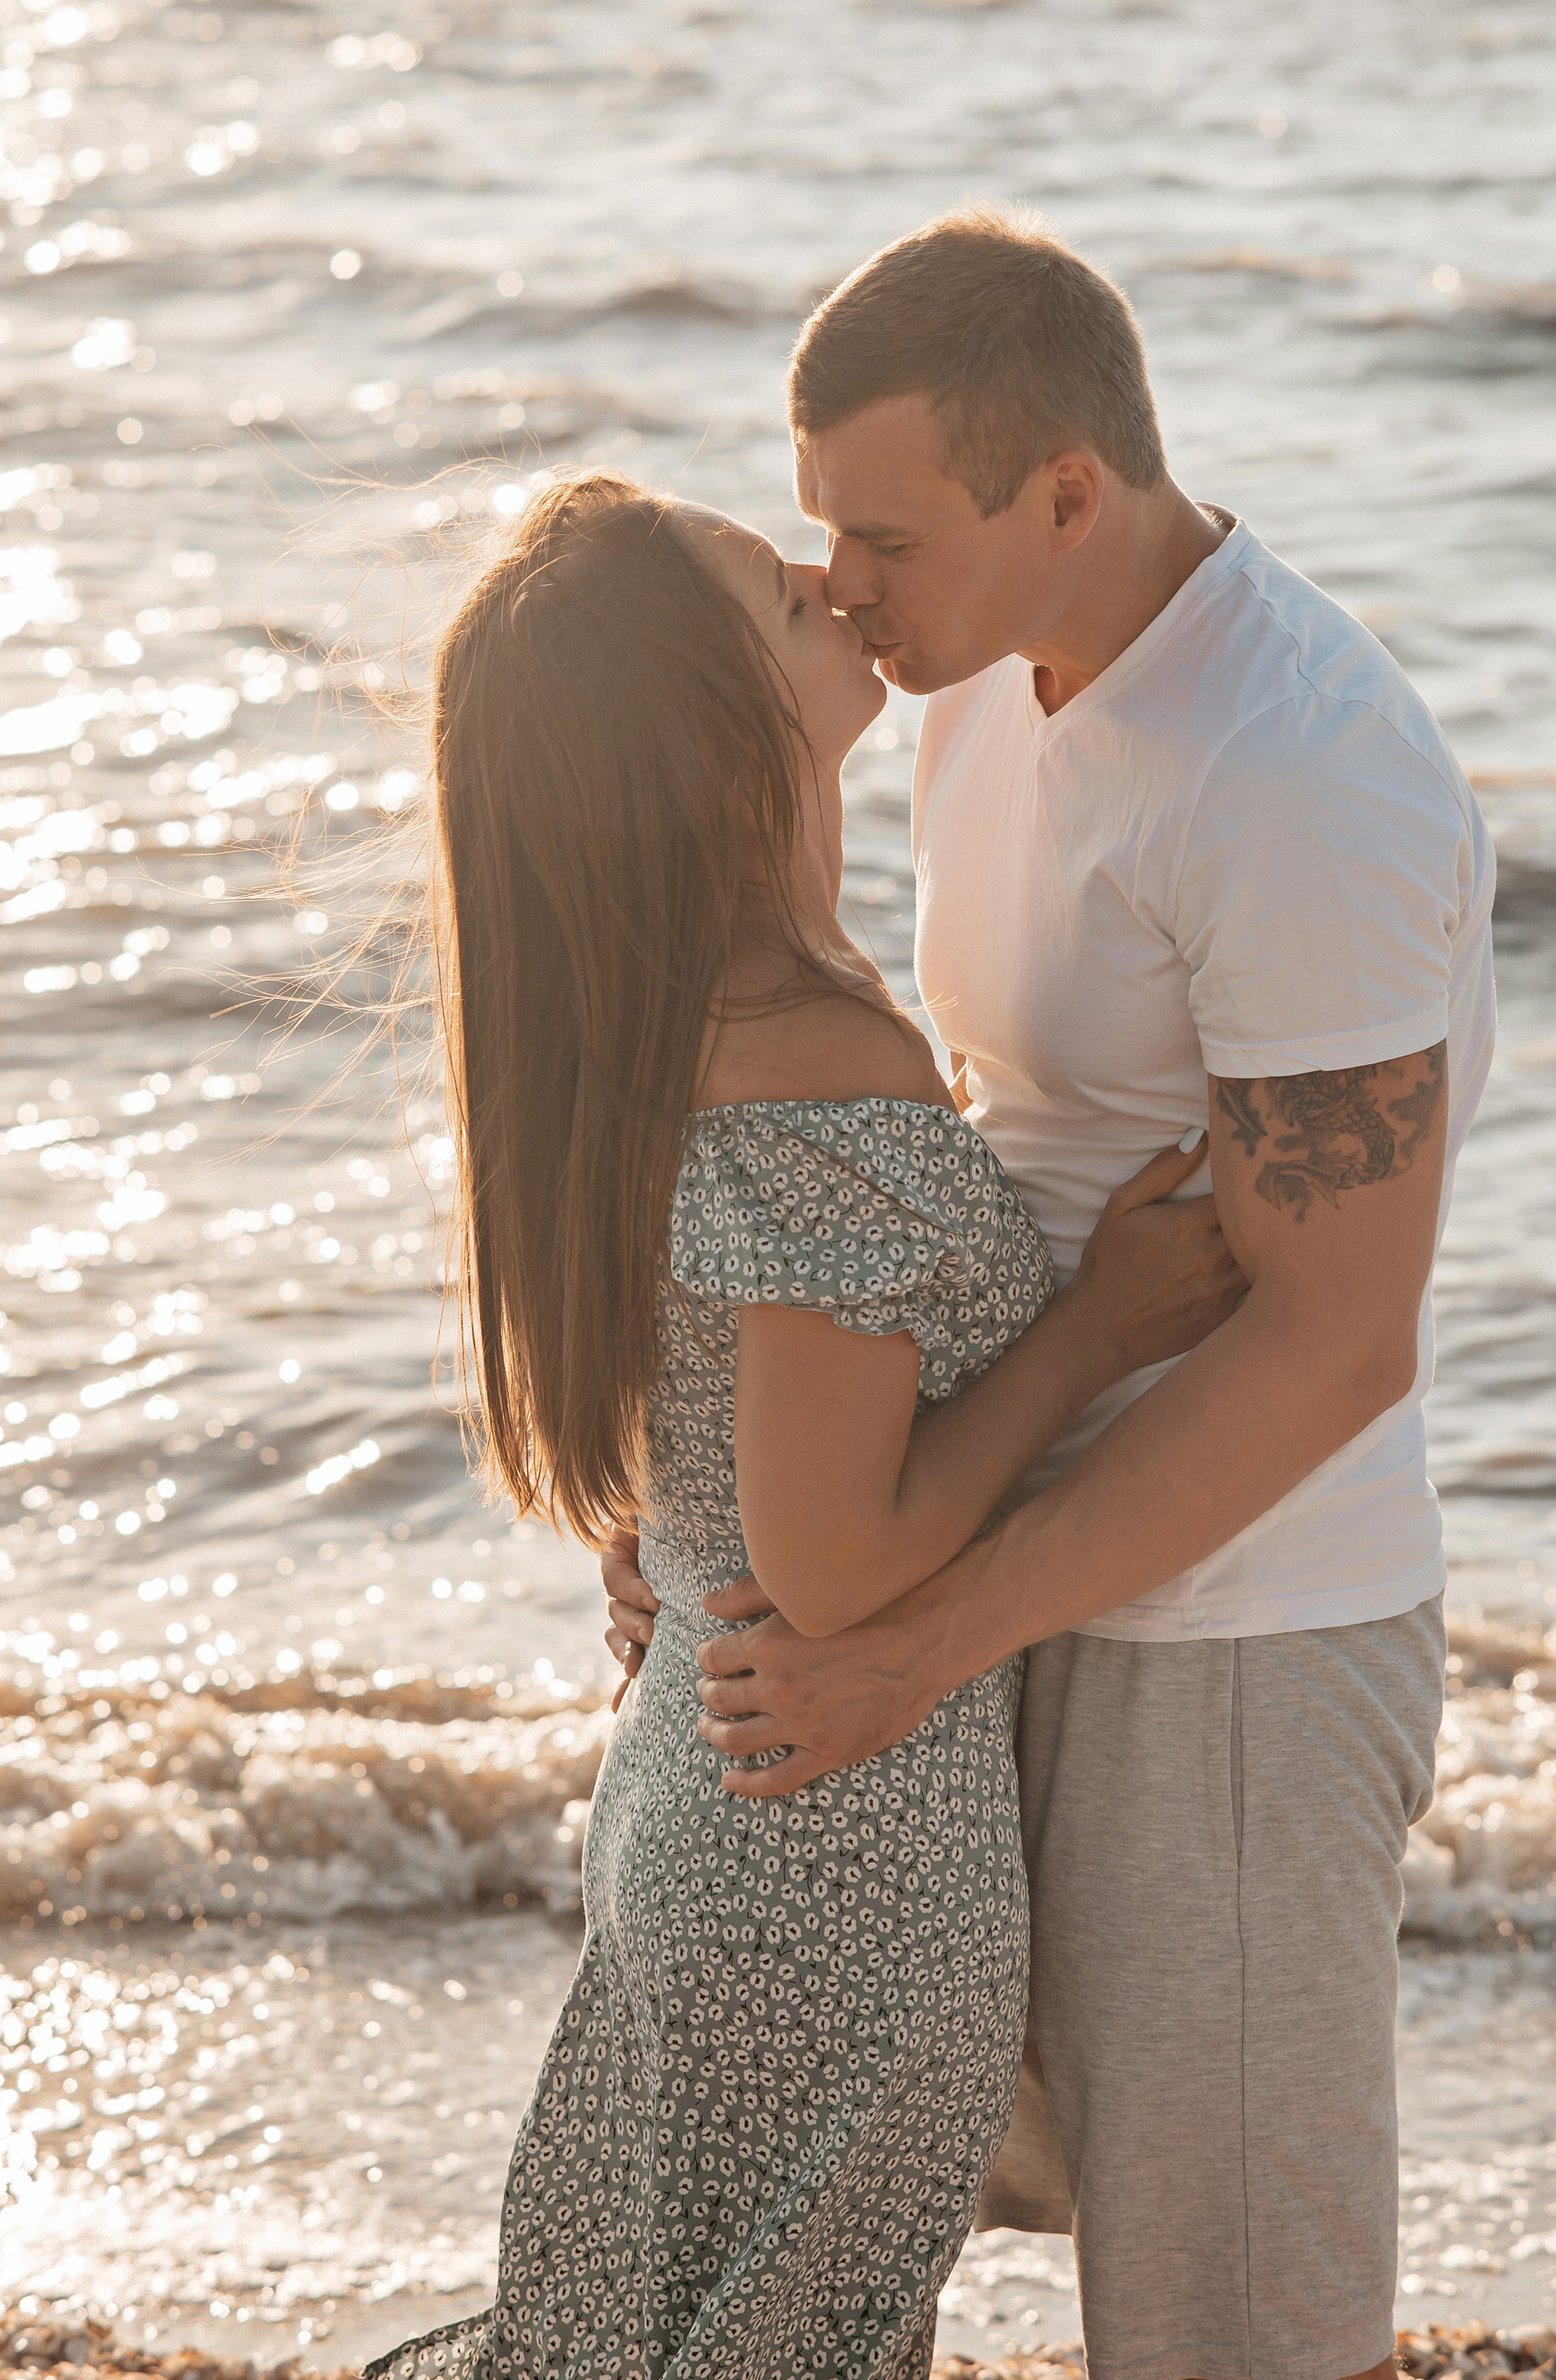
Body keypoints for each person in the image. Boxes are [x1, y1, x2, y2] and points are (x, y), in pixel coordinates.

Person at [602, 207, 1497, 2380]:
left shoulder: (1302, 776)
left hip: (1233, 1648)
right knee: (840, 2242)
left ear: (1068, 491)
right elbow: (958, 1150)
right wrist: (721, 1506)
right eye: (823, 531)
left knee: (1226, 2329)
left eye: (883, 537)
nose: (838, 588)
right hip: (985, 1578)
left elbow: (1330, 1337)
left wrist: (911, 1641)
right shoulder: (977, 681)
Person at [367, 468, 1241, 2380]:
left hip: (724, 1801)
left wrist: (671, 1562)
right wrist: (1091, 1329)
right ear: (710, 727)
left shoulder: (664, 1023)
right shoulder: (815, 1059)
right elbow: (837, 1561)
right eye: (778, 590)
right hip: (830, 1853)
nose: (833, 588)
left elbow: (718, 1463)